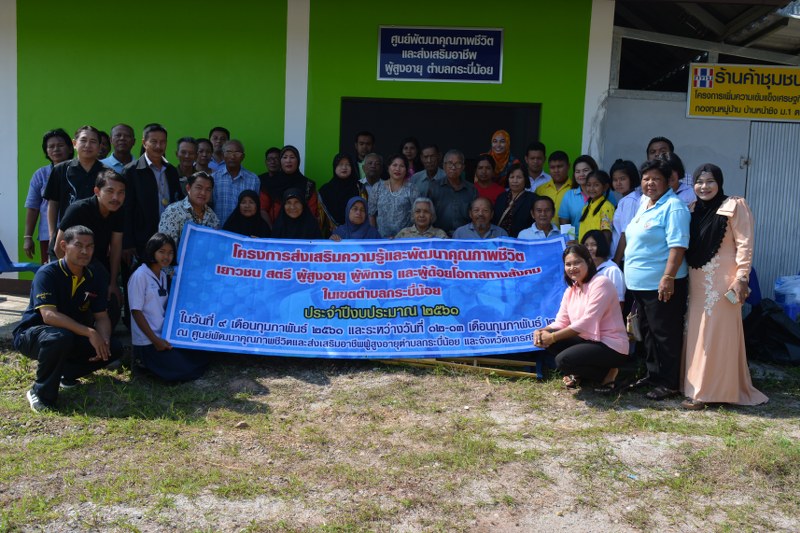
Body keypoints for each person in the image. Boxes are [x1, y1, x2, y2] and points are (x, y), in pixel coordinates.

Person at [681, 164, 767, 410]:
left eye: (710, 181)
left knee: (717, 333)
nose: (704, 186)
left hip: (722, 281)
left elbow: (745, 244)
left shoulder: (735, 205)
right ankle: (694, 385)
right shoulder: (693, 208)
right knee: (697, 332)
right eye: (699, 181)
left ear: (719, 183)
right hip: (697, 280)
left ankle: (708, 391)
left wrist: (742, 277)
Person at [13, 225, 123, 412]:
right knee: (59, 337)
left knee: (113, 347)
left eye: (90, 247)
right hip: (33, 335)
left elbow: (102, 316)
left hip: (69, 336)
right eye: (78, 245)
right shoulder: (47, 273)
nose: (84, 251)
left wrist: (102, 339)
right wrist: (90, 332)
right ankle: (40, 393)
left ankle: (65, 374)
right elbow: (48, 316)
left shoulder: (94, 275)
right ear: (64, 246)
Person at [624, 158, 690, 400]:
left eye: (656, 179)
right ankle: (654, 376)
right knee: (648, 333)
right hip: (640, 284)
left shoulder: (674, 207)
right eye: (646, 178)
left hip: (661, 284)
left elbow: (678, 246)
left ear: (669, 182)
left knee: (665, 334)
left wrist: (668, 277)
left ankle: (670, 382)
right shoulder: (646, 203)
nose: (650, 183)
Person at [533, 244, 628, 390]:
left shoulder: (601, 283)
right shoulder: (571, 290)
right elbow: (561, 321)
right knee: (548, 337)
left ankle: (608, 372)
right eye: (568, 264)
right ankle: (581, 372)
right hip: (588, 340)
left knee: (562, 360)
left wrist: (552, 337)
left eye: (577, 262)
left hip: (611, 345)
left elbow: (588, 322)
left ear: (588, 262)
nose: (572, 267)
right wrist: (541, 331)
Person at [128, 233, 208, 381]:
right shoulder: (140, 276)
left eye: (170, 253)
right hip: (148, 341)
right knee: (186, 372)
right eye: (162, 252)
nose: (166, 257)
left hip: (163, 336)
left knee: (200, 357)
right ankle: (143, 364)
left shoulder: (163, 275)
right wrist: (155, 340)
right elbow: (136, 311)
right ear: (152, 252)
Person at [53, 169, 126, 328]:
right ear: (97, 191)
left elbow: (115, 248)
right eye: (110, 191)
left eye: (121, 193)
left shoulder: (119, 211)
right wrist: (73, 278)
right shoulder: (78, 209)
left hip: (95, 263)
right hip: (66, 264)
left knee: (111, 299)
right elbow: (59, 247)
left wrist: (113, 283)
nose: (116, 197)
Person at [122, 123, 183, 262]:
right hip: (141, 241)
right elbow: (126, 209)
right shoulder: (131, 171)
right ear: (144, 143)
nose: (158, 146)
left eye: (162, 142)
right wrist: (127, 243)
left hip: (168, 241)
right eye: (154, 141)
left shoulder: (171, 171)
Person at [44, 126, 106, 259]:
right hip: (66, 236)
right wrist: (51, 235)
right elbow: (53, 203)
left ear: (100, 146)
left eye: (93, 141)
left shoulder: (107, 173)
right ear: (74, 143)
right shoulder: (60, 170)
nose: (88, 145)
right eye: (83, 140)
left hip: (97, 239)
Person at [24, 128, 73, 263]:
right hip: (49, 236)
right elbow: (33, 207)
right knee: (52, 274)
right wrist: (28, 237)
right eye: (51, 146)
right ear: (46, 151)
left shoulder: (79, 171)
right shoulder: (40, 174)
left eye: (60, 145)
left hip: (77, 233)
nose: (55, 149)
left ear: (70, 148)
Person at [260, 145, 319, 225]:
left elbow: (312, 211)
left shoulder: (308, 185)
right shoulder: (269, 183)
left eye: (292, 157)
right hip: (274, 233)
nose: (288, 161)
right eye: (285, 157)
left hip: (301, 233)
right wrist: (271, 230)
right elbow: (263, 209)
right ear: (280, 161)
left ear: (298, 161)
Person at [158, 171, 219, 245]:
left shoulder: (212, 217)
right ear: (188, 188)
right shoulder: (173, 211)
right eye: (199, 188)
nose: (203, 193)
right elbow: (165, 247)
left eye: (208, 190)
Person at [427, 149, 476, 236]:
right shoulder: (434, 187)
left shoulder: (471, 189)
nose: (453, 167)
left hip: (465, 237)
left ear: (463, 167)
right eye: (450, 163)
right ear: (444, 166)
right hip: (439, 236)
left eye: (458, 164)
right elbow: (428, 214)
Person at [368, 154, 419, 238]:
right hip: (381, 239)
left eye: (401, 166)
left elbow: (417, 214)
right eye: (394, 165)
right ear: (388, 168)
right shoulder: (377, 187)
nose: (397, 169)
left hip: (405, 239)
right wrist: (374, 236)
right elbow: (371, 214)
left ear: (406, 170)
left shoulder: (412, 189)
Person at [211, 139, 260, 224]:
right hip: (219, 230)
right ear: (223, 156)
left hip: (243, 232)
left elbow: (256, 208)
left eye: (237, 152)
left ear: (243, 157)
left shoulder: (253, 179)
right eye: (228, 152)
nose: (232, 156)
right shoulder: (213, 178)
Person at [319, 153, 365, 235]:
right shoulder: (325, 190)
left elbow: (364, 212)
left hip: (357, 234)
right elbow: (321, 220)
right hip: (332, 236)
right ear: (334, 167)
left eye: (347, 165)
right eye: (340, 165)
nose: (344, 168)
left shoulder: (359, 188)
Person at [558, 154, 598, 240]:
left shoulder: (605, 193)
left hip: (598, 245)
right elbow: (565, 224)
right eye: (577, 171)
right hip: (576, 245)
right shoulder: (569, 195)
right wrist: (571, 243)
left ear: (594, 171)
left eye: (585, 170)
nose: (581, 174)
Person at [609, 159, 641, 266]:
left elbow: (625, 233)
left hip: (623, 259)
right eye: (615, 179)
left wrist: (616, 262)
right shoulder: (626, 199)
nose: (618, 183)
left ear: (631, 178)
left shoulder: (630, 200)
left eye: (622, 179)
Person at [582, 230, 624, 306]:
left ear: (601, 245)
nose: (589, 248)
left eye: (593, 244)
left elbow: (619, 302)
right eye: (586, 245)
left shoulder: (612, 270)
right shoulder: (584, 270)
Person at [493, 163, 536, 238]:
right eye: (512, 177)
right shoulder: (501, 198)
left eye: (519, 177)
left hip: (521, 240)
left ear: (525, 179)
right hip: (500, 240)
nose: (515, 181)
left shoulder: (532, 199)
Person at [535, 151, 572, 226]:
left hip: (568, 235)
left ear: (568, 166)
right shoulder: (540, 190)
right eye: (552, 167)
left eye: (560, 166)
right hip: (543, 234)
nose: (556, 171)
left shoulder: (575, 189)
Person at [577, 170, 615, 243]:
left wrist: (602, 253)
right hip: (585, 251)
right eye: (588, 185)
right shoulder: (586, 207)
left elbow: (607, 233)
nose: (591, 188)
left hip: (597, 252)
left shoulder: (606, 207)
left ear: (605, 187)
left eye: (596, 185)